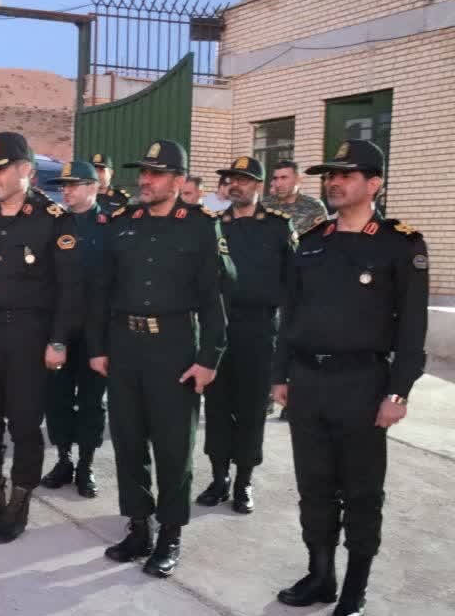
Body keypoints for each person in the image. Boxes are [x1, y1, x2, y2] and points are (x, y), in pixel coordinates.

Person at [272, 140, 427, 616]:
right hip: (308, 382)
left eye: (346, 174)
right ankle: (321, 576)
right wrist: (281, 375)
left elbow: (412, 329)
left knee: (361, 492)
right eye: (329, 175)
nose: (333, 182)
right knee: (314, 488)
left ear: (374, 183)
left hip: (362, 383)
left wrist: (398, 392)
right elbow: (289, 313)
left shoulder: (400, 243)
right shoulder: (314, 239)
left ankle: (355, 587)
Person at [87, 139, 234, 578]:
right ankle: (138, 527)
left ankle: (170, 533)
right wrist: (97, 347)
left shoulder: (200, 227)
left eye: (155, 174)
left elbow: (213, 301)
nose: (145, 181)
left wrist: (210, 358)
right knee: (129, 442)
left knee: (173, 446)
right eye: (142, 173)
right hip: (124, 345)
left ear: (178, 181)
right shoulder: (121, 224)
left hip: (173, 346)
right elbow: (101, 292)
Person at [0, 132, 82, 544]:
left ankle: (18, 505)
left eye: (0, 169)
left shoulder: (54, 220)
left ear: (25, 170)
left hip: (28, 335)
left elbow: (70, 287)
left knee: (25, 423)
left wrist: (58, 340)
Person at [196, 157, 294, 514]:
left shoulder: (278, 228)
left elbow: (293, 284)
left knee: (252, 408)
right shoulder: (212, 226)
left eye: (244, 179)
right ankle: (219, 477)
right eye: (230, 179)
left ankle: (244, 481)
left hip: (258, 328)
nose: (235, 185)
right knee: (218, 405)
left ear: (259, 186)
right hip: (218, 327)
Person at [40, 160, 110, 498]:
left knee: (93, 402)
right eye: (62, 185)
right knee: (58, 399)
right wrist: (54, 337)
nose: (65, 190)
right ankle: (64, 459)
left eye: (73, 184)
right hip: (61, 331)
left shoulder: (112, 223)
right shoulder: (55, 224)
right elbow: (47, 283)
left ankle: (86, 463)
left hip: (98, 334)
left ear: (93, 186)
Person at [264, 158, 328, 235]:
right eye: (275, 178)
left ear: (298, 180)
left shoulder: (314, 206)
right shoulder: (264, 205)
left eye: (284, 178)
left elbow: (324, 240)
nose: (278, 184)